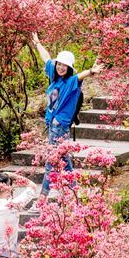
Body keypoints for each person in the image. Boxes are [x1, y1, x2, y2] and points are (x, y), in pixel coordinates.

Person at [30, 32, 103, 196]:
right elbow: (46, 58)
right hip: (51, 124)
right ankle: (74, 191)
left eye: (64, 66)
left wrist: (91, 70)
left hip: (59, 126)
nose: (61, 67)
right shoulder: (54, 76)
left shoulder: (71, 82)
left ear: (69, 67)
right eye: (59, 64)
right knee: (63, 158)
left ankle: (43, 196)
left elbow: (81, 75)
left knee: (52, 159)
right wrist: (37, 43)